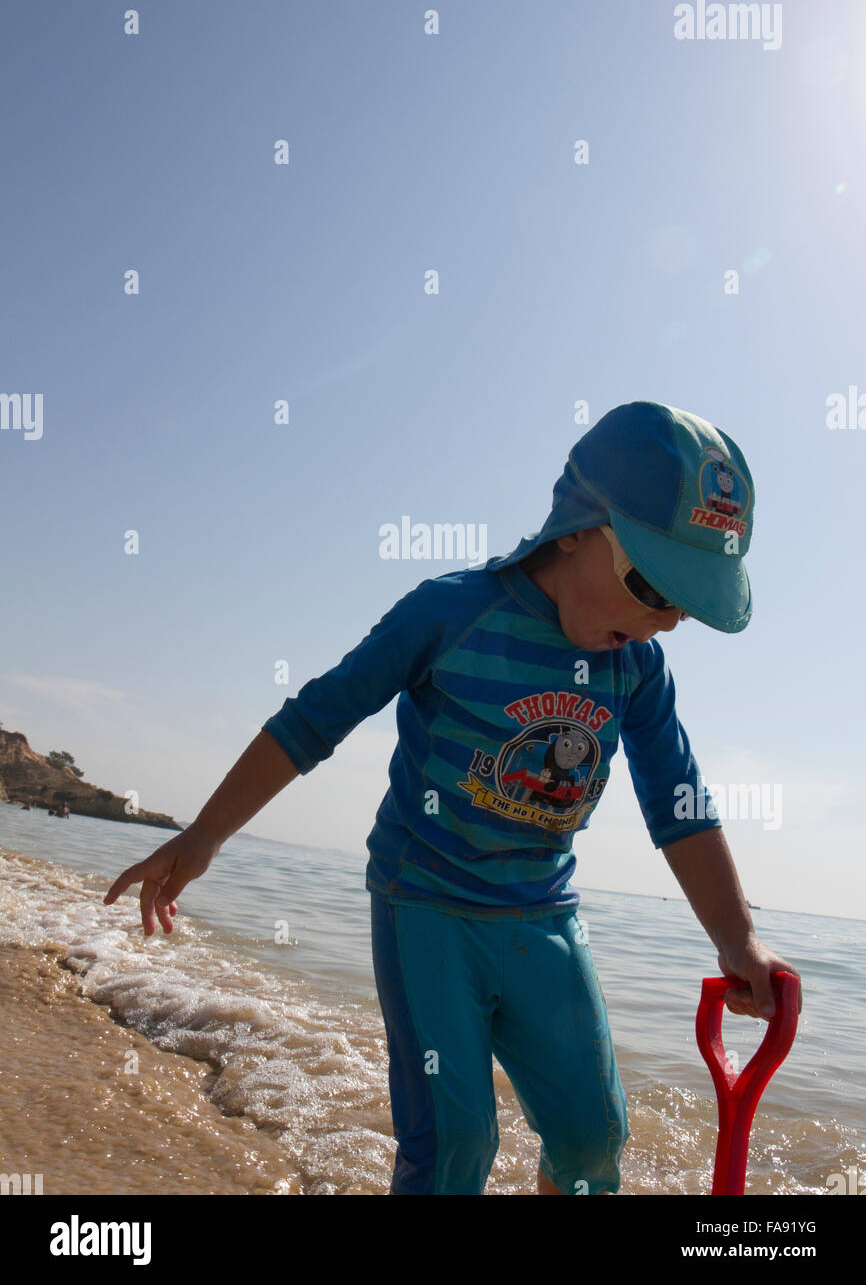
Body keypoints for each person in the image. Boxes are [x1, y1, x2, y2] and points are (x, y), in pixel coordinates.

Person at [103, 399, 803, 1196]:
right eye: (653, 585)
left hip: (543, 915)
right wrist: (204, 836)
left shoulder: (634, 666)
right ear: (573, 528)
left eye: (687, 604)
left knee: (594, 1141)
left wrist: (739, 941)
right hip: (425, 905)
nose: (667, 622)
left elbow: (678, 802)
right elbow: (313, 721)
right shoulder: (452, 614)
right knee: (456, 1144)